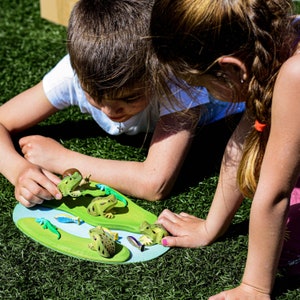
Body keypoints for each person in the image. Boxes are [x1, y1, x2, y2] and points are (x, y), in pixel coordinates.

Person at [0, 0, 244, 208]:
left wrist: (62, 159)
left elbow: (155, 184)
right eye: (94, 96)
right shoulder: (73, 74)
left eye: (130, 98)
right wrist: (17, 169)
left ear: (156, 72)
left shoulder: (177, 83)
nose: (109, 110)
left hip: (240, 102)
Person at [150, 0, 300, 299]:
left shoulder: (296, 75)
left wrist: (254, 288)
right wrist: (210, 227)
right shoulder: (276, 41)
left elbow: (275, 193)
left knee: (288, 242)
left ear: (232, 69)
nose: (206, 92)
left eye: (202, 84)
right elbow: (244, 141)